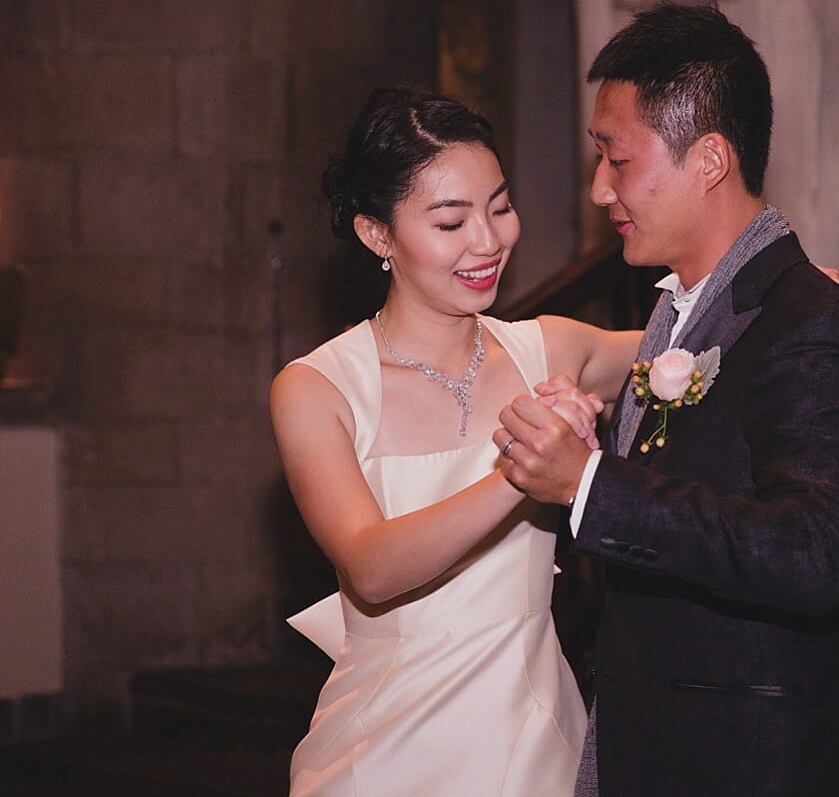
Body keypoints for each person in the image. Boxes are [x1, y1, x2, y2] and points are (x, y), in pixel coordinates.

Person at [495, 4, 839, 796]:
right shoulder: (682, 309)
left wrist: (589, 484)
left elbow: (813, 556)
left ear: (708, 158)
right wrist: (597, 441)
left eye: (616, 157)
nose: (600, 187)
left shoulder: (812, 323)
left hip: (750, 764)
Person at [271, 87, 642, 796]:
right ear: (376, 235)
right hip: (387, 747)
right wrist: (527, 466)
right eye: (451, 221)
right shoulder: (316, 389)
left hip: (535, 737)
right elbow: (372, 568)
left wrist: (777, 303)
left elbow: (686, 351)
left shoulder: (549, 347)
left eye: (499, 207)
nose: (488, 241)